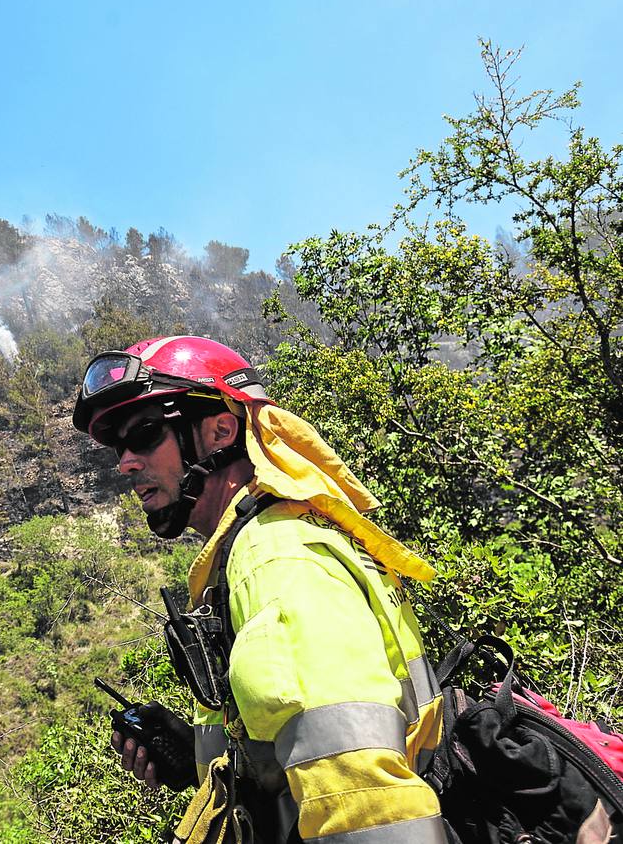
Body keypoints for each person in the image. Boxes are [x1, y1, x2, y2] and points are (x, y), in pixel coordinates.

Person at [73, 335, 445, 844]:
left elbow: (363, 800)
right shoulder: (254, 552)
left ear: (220, 431)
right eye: (119, 447)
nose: (126, 463)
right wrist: (193, 756)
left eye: (144, 435)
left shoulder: (276, 559)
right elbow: (292, 759)